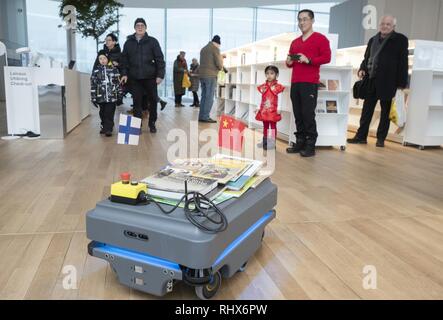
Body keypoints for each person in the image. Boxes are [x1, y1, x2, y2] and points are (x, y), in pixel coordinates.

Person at [347, 15, 409, 148]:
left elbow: (403, 62)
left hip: (389, 82)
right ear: (379, 25)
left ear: (393, 26)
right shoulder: (373, 39)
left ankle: (381, 139)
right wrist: (362, 69)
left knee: (385, 112)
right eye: (383, 24)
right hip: (371, 80)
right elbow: (366, 58)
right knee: (366, 110)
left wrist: (401, 84)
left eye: (388, 24)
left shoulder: (400, 40)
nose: (385, 26)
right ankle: (361, 136)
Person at [286, 9, 331, 157]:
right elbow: (290, 63)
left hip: (309, 83)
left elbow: (327, 57)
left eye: (305, 19)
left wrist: (309, 60)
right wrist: (288, 61)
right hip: (296, 82)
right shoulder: (295, 42)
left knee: (307, 114)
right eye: (299, 20)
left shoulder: (321, 39)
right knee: (298, 114)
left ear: (312, 21)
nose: (302, 22)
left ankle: (310, 145)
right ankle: (300, 142)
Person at [120, 18, 165, 133]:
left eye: (142, 25)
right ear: (134, 28)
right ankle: (136, 125)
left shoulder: (152, 41)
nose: (140, 27)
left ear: (145, 28)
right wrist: (124, 74)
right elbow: (124, 60)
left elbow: (159, 59)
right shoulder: (128, 43)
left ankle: (152, 123)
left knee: (153, 101)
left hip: (150, 77)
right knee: (137, 103)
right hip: (135, 78)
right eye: (138, 25)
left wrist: (160, 75)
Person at [90, 51, 122, 137]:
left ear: (108, 58)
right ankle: (104, 126)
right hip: (101, 97)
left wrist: (119, 94)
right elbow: (93, 85)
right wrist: (93, 97)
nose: (102, 60)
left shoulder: (114, 69)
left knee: (109, 112)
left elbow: (118, 83)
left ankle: (109, 129)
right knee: (102, 113)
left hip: (112, 97)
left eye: (104, 58)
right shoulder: (96, 71)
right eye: (100, 58)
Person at [255, 65, 285, 150]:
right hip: (264, 110)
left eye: (272, 73)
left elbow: (280, 97)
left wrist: (279, 108)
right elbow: (259, 97)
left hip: (273, 111)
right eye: (267, 73)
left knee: (272, 126)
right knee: (265, 126)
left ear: (276, 75)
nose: (269, 75)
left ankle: (271, 143)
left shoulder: (278, 87)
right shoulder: (262, 86)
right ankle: (265, 142)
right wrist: (258, 107)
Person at [198, 35, 224, 123]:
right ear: (217, 43)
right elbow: (219, 65)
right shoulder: (215, 49)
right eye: (219, 45)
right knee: (209, 97)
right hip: (211, 75)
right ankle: (205, 117)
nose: (219, 46)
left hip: (202, 75)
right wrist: (221, 59)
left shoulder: (203, 49)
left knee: (204, 96)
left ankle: (201, 116)